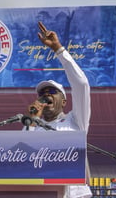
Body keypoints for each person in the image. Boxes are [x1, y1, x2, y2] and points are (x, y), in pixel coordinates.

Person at [23, 21, 92, 198]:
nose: (46, 95)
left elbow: (81, 84)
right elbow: (21, 157)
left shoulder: (76, 120)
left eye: (52, 91)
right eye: (42, 93)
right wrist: (32, 122)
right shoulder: (32, 126)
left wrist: (59, 50)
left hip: (75, 194)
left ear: (64, 101)